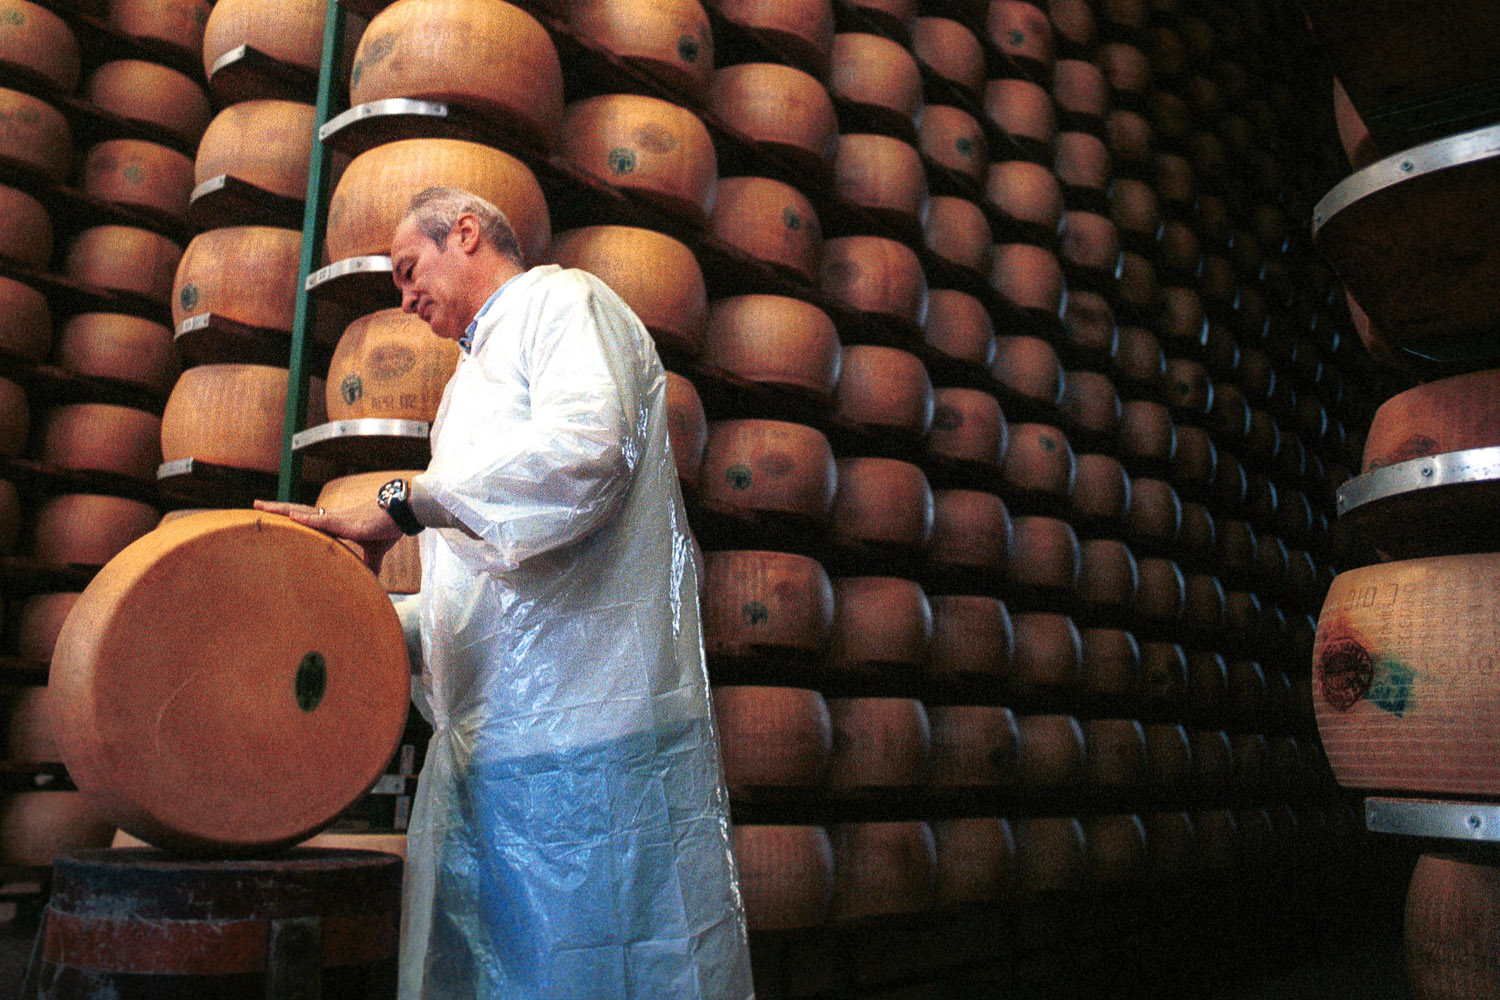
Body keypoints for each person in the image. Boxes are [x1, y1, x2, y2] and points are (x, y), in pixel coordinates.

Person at [256, 186, 753, 1000]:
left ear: (467, 231)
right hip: (509, 751)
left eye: (410, 269)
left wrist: (399, 502)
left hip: (593, 741)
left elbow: (586, 456)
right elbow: (490, 588)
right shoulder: (468, 384)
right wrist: (366, 617)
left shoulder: (562, 303)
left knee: (608, 972)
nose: (404, 296)